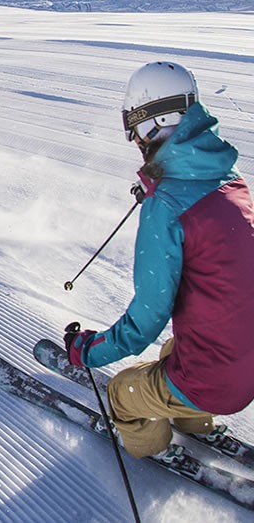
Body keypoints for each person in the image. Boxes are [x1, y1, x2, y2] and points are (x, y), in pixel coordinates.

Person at [64, 61, 254, 462]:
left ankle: (152, 447)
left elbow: (143, 323)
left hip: (217, 382)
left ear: (150, 123)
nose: (134, 140)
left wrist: (87, 351)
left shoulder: (167, 207)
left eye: (134, 129)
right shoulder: (230, 178)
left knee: (122, 393)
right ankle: (193, 420)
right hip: (246, 363)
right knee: (175, 347)